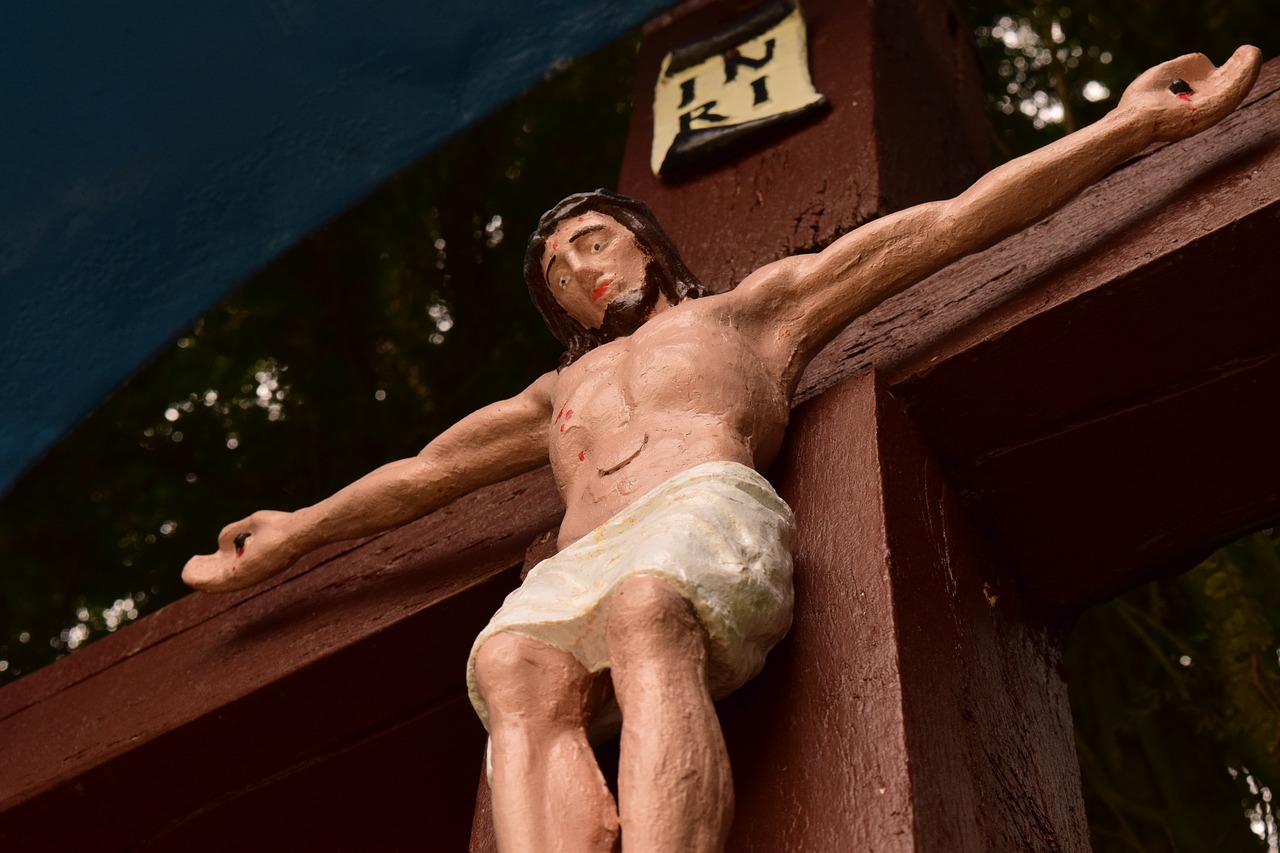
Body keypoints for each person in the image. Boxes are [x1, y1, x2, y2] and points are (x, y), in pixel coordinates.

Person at [185, 48, 1260, 853]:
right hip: (578, 553)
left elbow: (946, 225)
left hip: (695, 511)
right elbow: (421, 475)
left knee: (648, 606)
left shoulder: (751, 314)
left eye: (593, 242)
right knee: (511, 666)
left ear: (644, 243)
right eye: (558, 272)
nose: (581, 272)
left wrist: (1126, 130)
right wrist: (293, 533)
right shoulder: (554, 394)